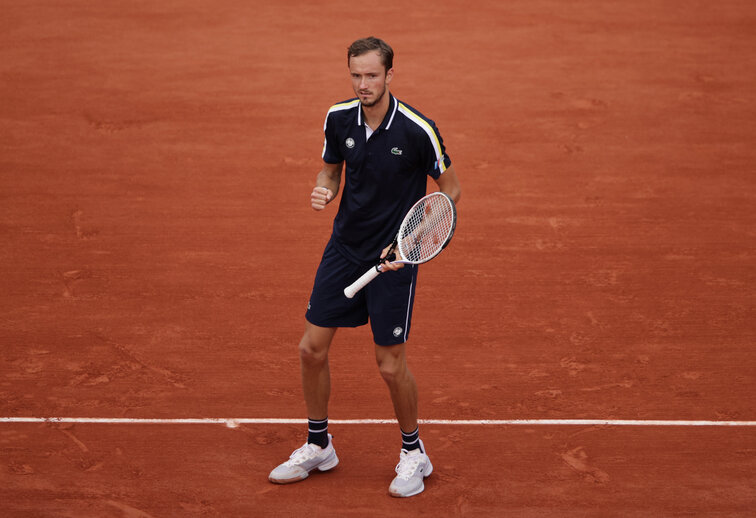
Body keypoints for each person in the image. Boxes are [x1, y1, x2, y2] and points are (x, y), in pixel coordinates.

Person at [268, 36, 461, 498]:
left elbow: (449, 192)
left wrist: (413, 244)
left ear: (390, 75)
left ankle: (415, 453)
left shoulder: (418, 130)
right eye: (355, 75)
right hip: (344, 250)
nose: (362, 84)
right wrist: (324, 189)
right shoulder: (338, 118)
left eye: (371, 75)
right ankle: (319, 445)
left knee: (390, 365)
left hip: (394, 260)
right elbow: (331, 170)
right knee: (311, 350)